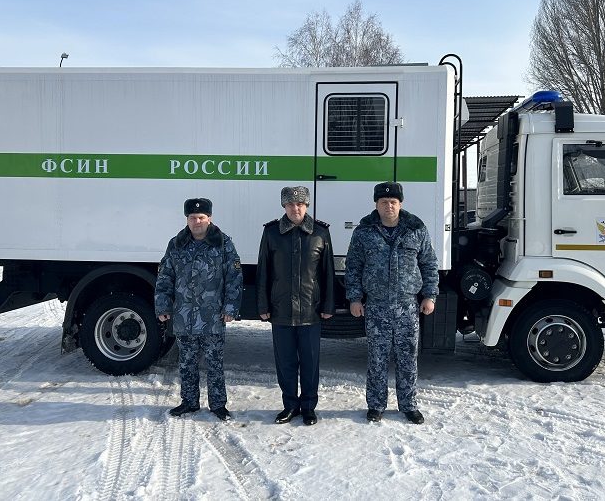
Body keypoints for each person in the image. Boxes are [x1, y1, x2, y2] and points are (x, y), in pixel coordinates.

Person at [345, 182, 438, 424]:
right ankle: (376, 405)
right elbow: (353, 266)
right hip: (376, 306)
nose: (389, 206)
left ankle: (409, 405)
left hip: (407, 306)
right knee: (377, 358)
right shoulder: (364, 232)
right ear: (376, 204)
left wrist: (430, 296)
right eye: (384, 202)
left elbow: (429, 263)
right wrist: (355, 298)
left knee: (407, 358)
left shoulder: (416, 229)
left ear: (401, 204)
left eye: (393, 202)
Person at [155, 198, 242, 421]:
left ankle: (218, 405)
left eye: (201, 217)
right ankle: (189, 402)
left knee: (214, 363)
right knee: (187, 362)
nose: (197, 222)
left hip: (213, 316)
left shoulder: (223, 243)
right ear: (187, 219)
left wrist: (230, 307)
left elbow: (234, 277)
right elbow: (165, 276)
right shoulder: (176, 244)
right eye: (192, 218)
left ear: (209, 218)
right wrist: (163, 305)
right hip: (184, 315)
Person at [257, 186, 335, 426]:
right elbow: (263, 271)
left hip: (311, 310)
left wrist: (328, 305)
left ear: (307, 206)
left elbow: (327, 273)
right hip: (281, 310)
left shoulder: (320, 232)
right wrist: (263, 304)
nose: (295, 208)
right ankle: (290, 405)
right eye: (290, 204)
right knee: (286, 362)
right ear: (284, 206)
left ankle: (309, 407)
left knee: (310, 363)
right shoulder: (271, 233)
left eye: (300, 204)